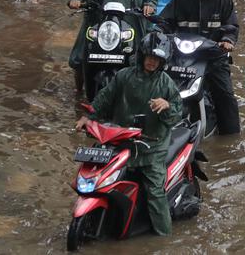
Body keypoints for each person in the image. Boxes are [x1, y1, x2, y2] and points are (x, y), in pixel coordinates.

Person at [75, 33, 183, 236]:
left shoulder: (166, 84)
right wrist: (88, 118)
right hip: (121, 141)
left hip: (152, 148)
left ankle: (164, 237)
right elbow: (104, 97)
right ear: (141, 55)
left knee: (155, 193)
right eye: (149, 57)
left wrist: (166, 105)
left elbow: (177, 113)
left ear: (162, 62)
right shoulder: (124, 76)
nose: (152, 62)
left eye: (157, 59)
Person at [159, 0, 240, 135]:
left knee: (225, 95)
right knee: (159, 84)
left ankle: (231, 136)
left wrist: (227, 41)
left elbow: (231, 26)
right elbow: (165, 21)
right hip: (182, 56)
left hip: (214, 57)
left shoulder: (225, 1)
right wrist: (159, 32)